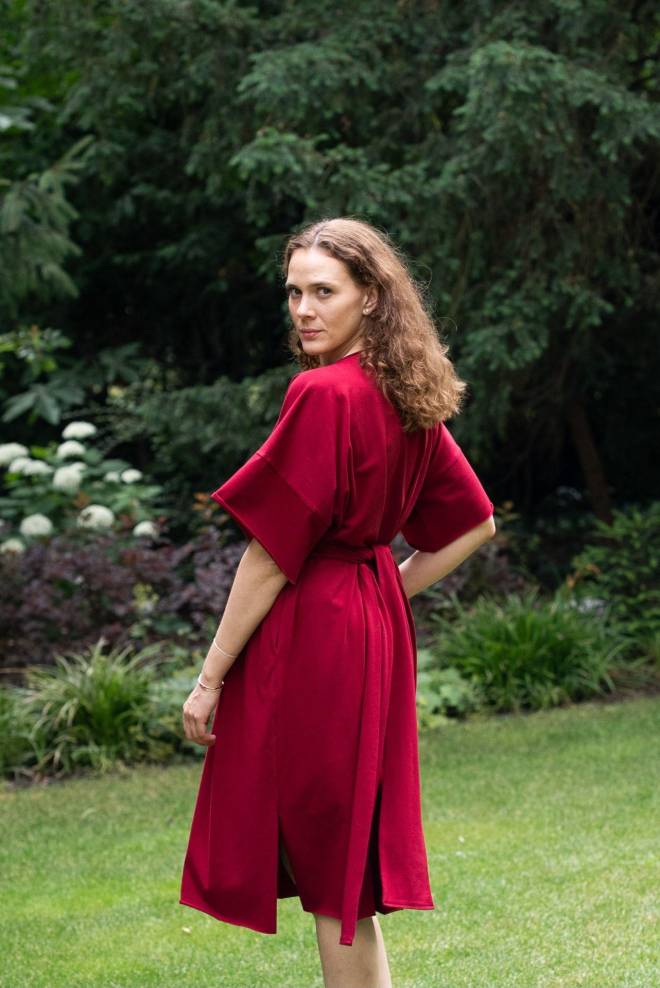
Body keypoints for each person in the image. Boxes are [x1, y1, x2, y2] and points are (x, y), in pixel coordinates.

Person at [179, 217, 496, 988]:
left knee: (329, 857)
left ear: (372, 297)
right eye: (294, 292)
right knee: (343, 856)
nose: (304, 309)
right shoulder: (405, 391)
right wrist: (381, 591)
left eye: (324, 291)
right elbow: (475, 525)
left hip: (317, 635)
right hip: (367, 628)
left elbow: (269, 553)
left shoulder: (322, 393)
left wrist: (209, 677)